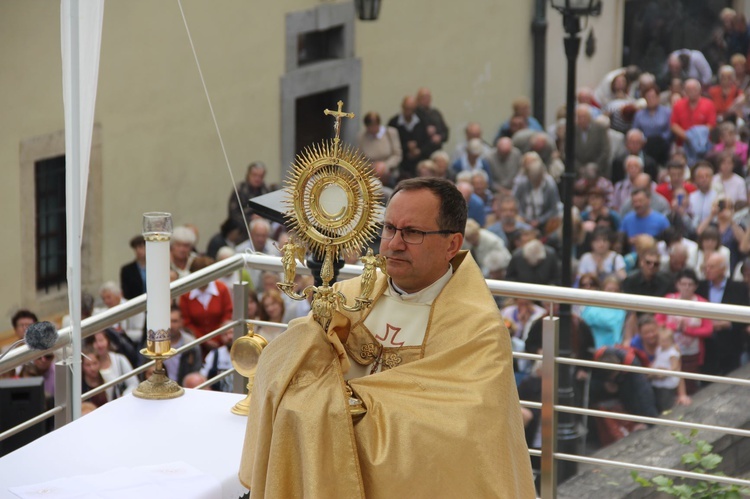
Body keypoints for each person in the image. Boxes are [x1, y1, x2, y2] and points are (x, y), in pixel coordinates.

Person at [239, 178, 535, 497]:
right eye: (389, 228)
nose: (394, 243)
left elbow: (460, 434)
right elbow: (289, 366)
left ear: (452, 244)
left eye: (412, 233)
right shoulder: (346, 296)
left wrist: (331, 410)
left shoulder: (477, 328)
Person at [654, 269, 712, 395]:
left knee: (689, 386)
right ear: (677, 284)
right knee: (668, 384)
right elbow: (658, 321)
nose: (686, 288)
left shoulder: (702, 303)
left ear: (695, 286)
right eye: (683, 284)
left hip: (691, 354)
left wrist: (687, 330)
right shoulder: (669, 299)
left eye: (690, 284)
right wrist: (674, 326)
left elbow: (708, 329)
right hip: (668, 351)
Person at [179, 256, 233, 357]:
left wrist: (217, 338)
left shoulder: (222, 289)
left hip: (222, 344)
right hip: (195, 346)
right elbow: (186, 322)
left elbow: (227, 315)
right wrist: (204, 341)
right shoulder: (185, 294)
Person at [87, 331, 138, 400]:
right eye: (95, 341)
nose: (99, 345)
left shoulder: (120, 359)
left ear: (108, 341)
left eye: (101, 340)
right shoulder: (89, 364)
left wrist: (122, 398)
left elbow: (134, 384)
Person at [227, 161, 270, 236]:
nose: (257, 179)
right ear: (248, 175)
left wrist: (262, 218)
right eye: (254, 175)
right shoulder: (240, 189)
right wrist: (250, 220)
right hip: (242, 229)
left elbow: (271, 212)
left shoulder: (266, 190)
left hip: (262, 228)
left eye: (260, 176)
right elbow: (233, 214)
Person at [163, 305, 202, 386]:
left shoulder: (191, 344)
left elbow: (196, 370)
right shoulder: (155, 343)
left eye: (175, 321)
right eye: (168, 321)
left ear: (181, 322)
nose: (171, 325)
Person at [120, 235, 146, 300]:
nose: (138, 250)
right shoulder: (127, 270)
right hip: (137, 303)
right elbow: (126, 293)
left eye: (141, 247)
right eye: (135, 248)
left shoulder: (155, 267)